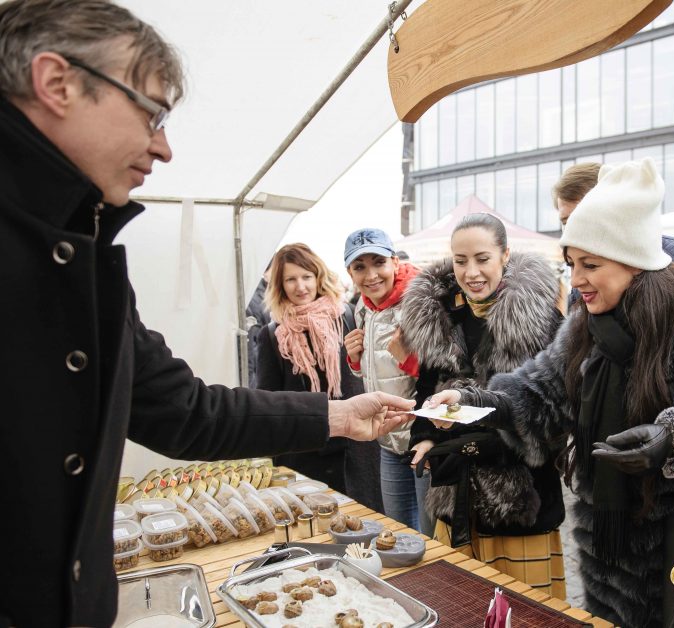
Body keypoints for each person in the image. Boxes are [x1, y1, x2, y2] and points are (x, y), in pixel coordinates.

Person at [0, 2, 412, 625]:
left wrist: (334, 415)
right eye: (151, 113)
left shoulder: (89, 261)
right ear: (56, 84)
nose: (163, 147)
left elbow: (185, 412)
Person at [425, 160, 674, 626]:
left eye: (590, 264)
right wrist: (478, 402)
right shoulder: (590, 322)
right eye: (571, 264)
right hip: (617, 559)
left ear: (632, 260)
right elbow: (542, 391)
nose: (575, 279)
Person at [400, 213, 568, 598]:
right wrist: (425, 436)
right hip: (455, 496)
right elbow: (426, 387)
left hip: (523, 500)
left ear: (505, 255)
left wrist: (476, 440)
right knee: (459, 608)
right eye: (461, 261)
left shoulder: (543, 321)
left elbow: (557, 414)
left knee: (527, 615)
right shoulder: (440, 318)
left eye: (482, 258)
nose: (471, 272)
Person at [256, 242, 383, 512]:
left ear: (318, 278)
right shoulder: (272, 333)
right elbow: (268, 397)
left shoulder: (345, 316)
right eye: (290, 279)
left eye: (306, 276)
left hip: (354, 449)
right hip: (304, 450)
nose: (300, 286)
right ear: (280, 285)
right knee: (312, 525)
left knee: (361, 521)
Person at [342, 228, 432, 534]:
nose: (371, 275)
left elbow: (446, 374)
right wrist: (354, 360)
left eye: (378, 262)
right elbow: (374, 371)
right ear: (349, 272)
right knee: (396, 532)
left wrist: (408, 357)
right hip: (389, 442)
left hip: (424, 442)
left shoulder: (420, 302)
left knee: (430, 539)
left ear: (394, 262)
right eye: (360, 267)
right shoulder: (362, 308)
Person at [246, 260, 273, 388]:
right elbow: (252, 347)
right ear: (265, 273)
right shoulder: (257, 300)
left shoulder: (272, 295)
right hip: (261, 370)